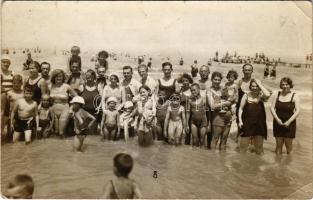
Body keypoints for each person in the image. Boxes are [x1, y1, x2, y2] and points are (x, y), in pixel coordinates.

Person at [238, 79, 271, 154]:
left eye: (256, 86)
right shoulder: (246, 95)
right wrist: (240, 121)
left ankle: (258, 164)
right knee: (243, 148)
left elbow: (268, 94)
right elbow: (240, 109)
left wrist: (260, 84)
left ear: (259, 87)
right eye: (253, 86)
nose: (254, 88)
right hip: (247, 123)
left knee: (259, 148)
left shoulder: (262, 97)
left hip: (259, 124)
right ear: (250, 87)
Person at [271, 77, 300, 154]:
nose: (284, 86)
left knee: (289, 147)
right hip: (278, 122)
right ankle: (277, 164)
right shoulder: (277, 94)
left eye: (287, 84)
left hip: (290, 124)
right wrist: (277, 119)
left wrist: (289, 122)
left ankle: (288, 164)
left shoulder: (294, 96)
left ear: (290, 85)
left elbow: (298, 111)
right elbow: (272, 108)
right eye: (283, 84)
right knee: (278, 147)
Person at [208, 72, 232, 150]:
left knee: (224, 140)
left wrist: (221, 103)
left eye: (219, 80)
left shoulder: (224, 89)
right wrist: (225, 103)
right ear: (211, 79)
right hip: (218, 117)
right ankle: (212, 159)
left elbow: (231, 101)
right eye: (215, 79)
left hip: (228, 117)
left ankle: (222, 160)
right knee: (215, 139)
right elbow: (212, 106)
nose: (217, 81)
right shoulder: (209, 91)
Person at [50, 69, 77, 138]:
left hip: (64, 110)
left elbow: (77, 97)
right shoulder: (50, 86)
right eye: (56, 76)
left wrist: (72, 108)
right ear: (53, 77)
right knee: (55, 133)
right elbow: (45, 98)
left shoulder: (66, 86)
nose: (58, 78)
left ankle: (66, 147)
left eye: (60, 76)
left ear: (63, 77)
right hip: (53, 111)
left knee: (61, 132)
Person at [186, 83, 208, 147]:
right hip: (193, 122)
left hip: (203, 121)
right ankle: (195, 155)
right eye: (191, 90)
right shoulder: (189, 100)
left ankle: (202, 155)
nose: (192, 92)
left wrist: (209, 124)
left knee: (202, 141)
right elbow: (188, 113)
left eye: (194, 90)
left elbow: (208, 112)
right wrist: (187, 124)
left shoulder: (204, 99)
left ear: (199, 90)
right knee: (194, 141)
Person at [81, 69, 101, 134]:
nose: (89, 79)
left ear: (94, 77)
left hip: (95, 113)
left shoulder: (98, 86)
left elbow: (102, 99)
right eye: (87, 77)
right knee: (83, 133)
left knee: (92, 134)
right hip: (84, 113)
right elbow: (75, 97)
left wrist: (99, 108)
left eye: (91, 77)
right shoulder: (82, 86)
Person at [4, 74, 24, 142]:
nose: (16, 85)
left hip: (21, 114)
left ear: (21, 83)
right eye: (14, 83)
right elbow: (6, 106)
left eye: (18, 83)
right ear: (12, 83)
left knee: (20, 132)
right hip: (11, 114)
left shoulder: (23, 93)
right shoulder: (9, 93)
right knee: (9, 132)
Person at [1, 56, 14, 136]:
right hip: (1, 97)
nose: (6, 64)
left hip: (10, 96)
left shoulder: (12, 73)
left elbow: (15, 85)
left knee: (8, 115)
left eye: (8, 62)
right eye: (4, 62)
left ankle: (8, 133)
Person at [178, 73, 193, 144]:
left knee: (189, 131)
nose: (185, 82)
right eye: (183, 81)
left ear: (189, 81)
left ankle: (187, 146)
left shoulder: (192, 90)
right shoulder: (180, 90)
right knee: (181, 130)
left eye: (187, 80)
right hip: (182, 114)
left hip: (191, 113)